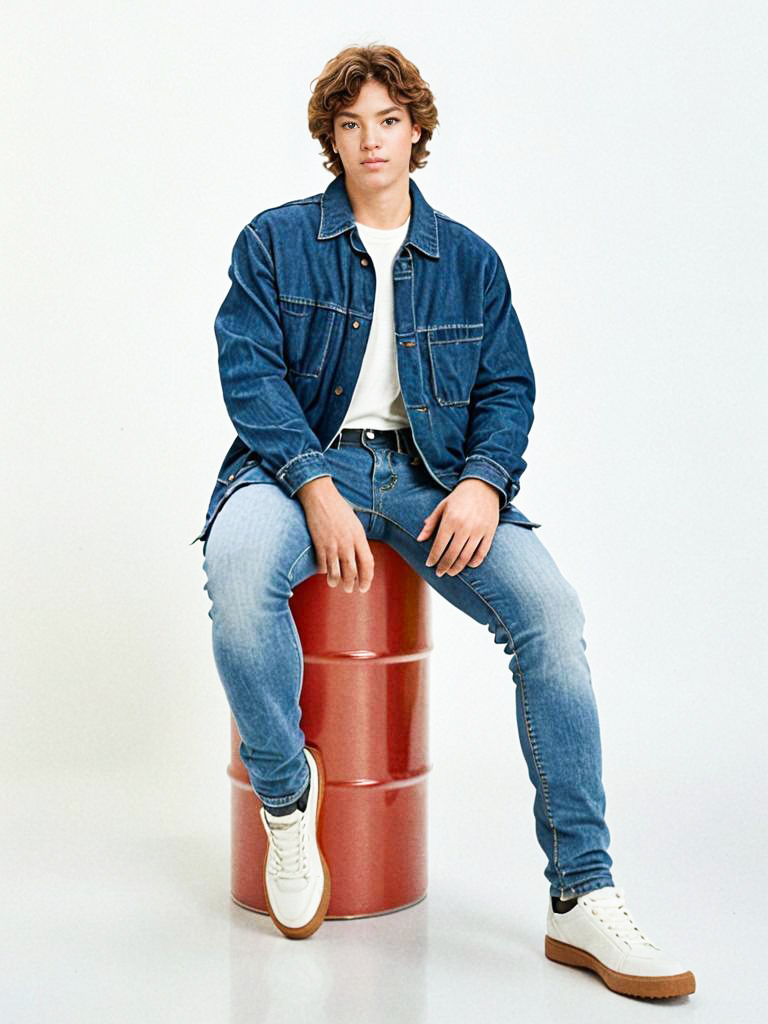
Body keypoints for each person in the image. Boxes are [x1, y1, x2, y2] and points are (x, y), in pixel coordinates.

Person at [193, 43, 695, 998]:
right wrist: (310, 480)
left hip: (434, 479)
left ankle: (581, 897)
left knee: (550, 615)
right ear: (330, 142)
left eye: (387, 120)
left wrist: (485, 484)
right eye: (350, 125)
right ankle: (288, 799)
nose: (370, 140)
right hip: (299, 462)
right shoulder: (275, 240)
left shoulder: (469, 261)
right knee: (237, 572)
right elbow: (248, 372)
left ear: (416, 132)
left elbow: (507, 388)